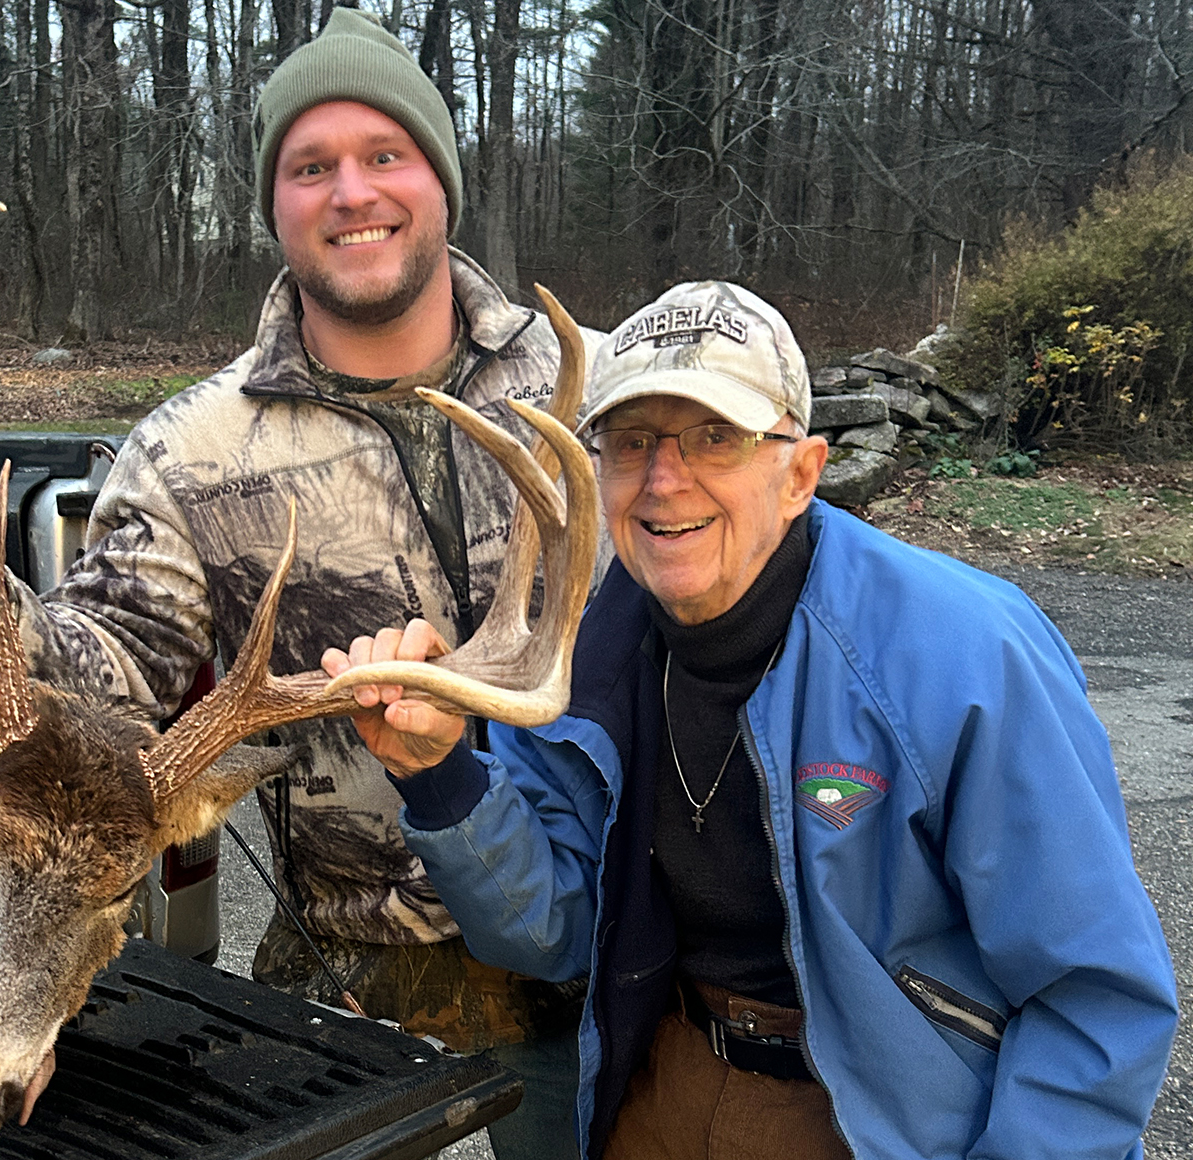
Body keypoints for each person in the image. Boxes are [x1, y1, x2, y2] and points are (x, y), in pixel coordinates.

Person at [0, 7, 592, 1155]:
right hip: (361, 974)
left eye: (386, 155)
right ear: (275, 207)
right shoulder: (193, 447)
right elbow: (107, 655)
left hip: (607, 935)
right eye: (309, 166)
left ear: (440, 177)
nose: (350, 192)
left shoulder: (595, 390)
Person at [327, 280, 1177, 1158]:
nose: (664, 480)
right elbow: (551, 932)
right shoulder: (576, 659)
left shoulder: (964, 655)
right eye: (631, 442)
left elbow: (1095, 1000)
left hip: (890, 1114)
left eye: (715, 439)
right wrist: (438, 772)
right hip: (676, 1072)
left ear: (801, 472)